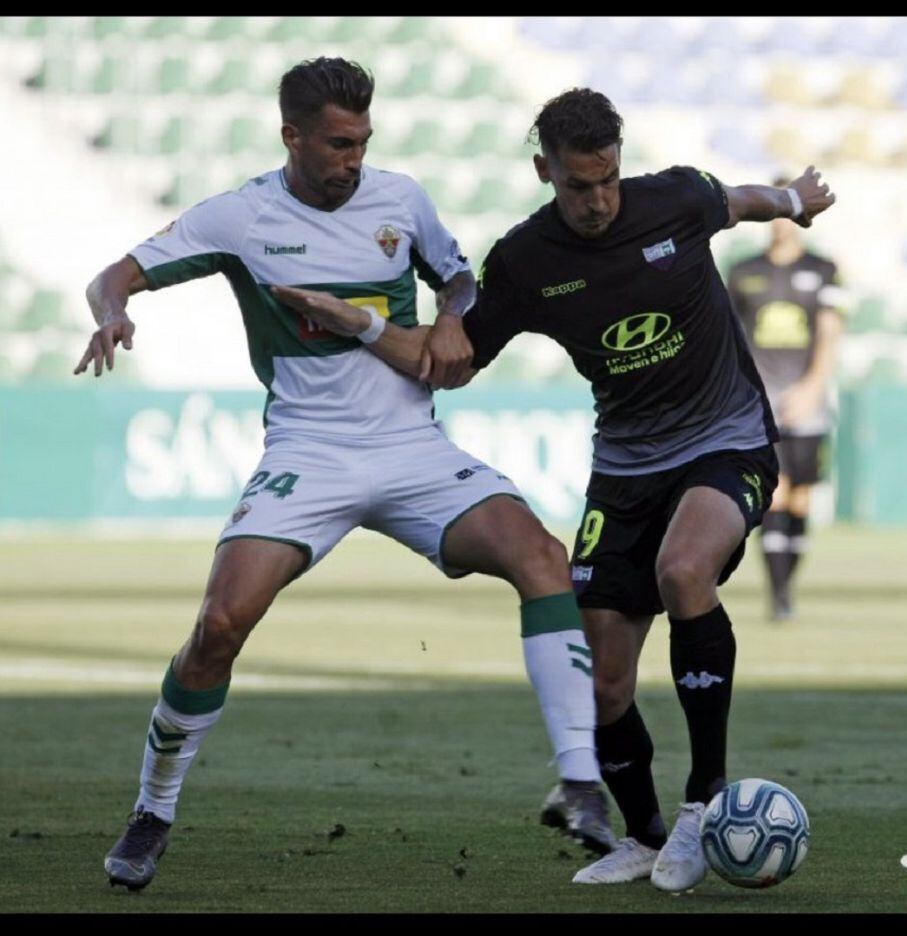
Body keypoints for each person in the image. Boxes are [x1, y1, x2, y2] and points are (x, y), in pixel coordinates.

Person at [74, 59, 614, 893]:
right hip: (308, 451)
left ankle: (580, 783)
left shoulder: (401, 199)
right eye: (336, 143)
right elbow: (113, 275)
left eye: (362, 141)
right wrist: (114, 312)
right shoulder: (242, 215)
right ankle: (153, 808)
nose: (352, 158)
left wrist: (450, 316)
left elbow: (461, 277)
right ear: (291, 136)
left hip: (411, 446)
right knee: (220, 622)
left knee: (542, 556)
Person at [282, 88, 836, 892]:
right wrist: (359, 324)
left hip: (728, 440)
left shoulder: (673, 198)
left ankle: (703, 802)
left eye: (609, 178)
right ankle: (645, 837)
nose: (599, 200)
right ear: (546, 170)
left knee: (684, 572)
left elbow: (741, 201)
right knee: (601, 678)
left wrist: (795, 200)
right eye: (579, 185)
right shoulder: (527, 261)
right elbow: (454, 362)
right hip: (625, 467)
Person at [727, 184, 845, 620]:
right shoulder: (743, 272)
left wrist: (813, 386)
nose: (780, 222)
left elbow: (831, 332)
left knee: (801, 499)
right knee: (774, 494)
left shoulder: (824, 269)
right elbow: (731, 338)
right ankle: (778, 596)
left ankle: (786, 586)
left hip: (808, 398)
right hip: (761, 403)